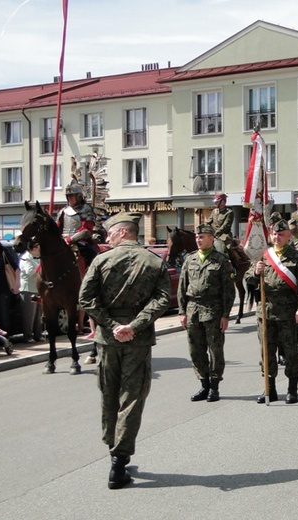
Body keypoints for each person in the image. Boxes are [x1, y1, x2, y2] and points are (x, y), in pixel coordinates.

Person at [78, 211, 171, 490]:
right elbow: (164, 299)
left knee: (109, 393)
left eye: (110, 233)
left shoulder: (102, 260)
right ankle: (119, 462)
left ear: (121, 233)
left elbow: (85, 298)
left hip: (108, 339)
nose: (107, 238)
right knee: (132, 397)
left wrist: (110, 324)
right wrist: (134, 325)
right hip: (137, 339)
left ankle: (113, 452)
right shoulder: (154, 261)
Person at [244, 219, 298, 404]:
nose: (277, 237)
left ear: (289, 236)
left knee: (290, 351)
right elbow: (248, 279)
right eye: (274, 234)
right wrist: (256, 272)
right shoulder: (264, 256)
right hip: (265, 312)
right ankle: (269, 388)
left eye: (281, 234)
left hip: (287, 313)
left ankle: (292, 389)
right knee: (267, 351)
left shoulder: (297, 258)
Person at [178, 223, 236, 403]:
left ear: (211, 238)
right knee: (196, 350)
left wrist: (226, 314)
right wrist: (182, 311)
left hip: (213, 310)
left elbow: (229, 290)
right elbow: (182, 286)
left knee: (215, 350)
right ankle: (204, 384)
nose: (198, 240)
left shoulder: (221, 260)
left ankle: (215, 386)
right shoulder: (190, 259)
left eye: (202, 237)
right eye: (197, 237)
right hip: (193, 309)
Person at [57, 180, 98, 270]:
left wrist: (71, 239)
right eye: (68, 196)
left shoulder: (85, 209)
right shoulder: (63, 211)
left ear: (79, 196)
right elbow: (58, 228)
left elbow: (86, 229)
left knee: (93, 255)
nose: (70, 198)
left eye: (72, 196)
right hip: (63, 241)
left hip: (81, 241)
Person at [0, 231, 20, 334]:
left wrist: (16, 284)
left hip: (3, 290)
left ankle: (6, 339)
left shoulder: (3, 253)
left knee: (3, 314)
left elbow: (16, 269)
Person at [19, 240, 43, 342]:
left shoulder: (37, 258)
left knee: (38, 315)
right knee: (29, 315)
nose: (40, 250)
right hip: (28, 289)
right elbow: (31, 273)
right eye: (38, 248)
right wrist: (41, 266)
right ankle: (28, 336)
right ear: (33, 248)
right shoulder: (25, 259)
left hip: (37, 289)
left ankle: (38, 335)